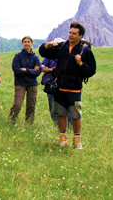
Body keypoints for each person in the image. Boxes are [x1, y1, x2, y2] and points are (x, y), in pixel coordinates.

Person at [39, 22, 96, 150]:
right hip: (60, 87)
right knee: (61, 114)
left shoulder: (85, 50)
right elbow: (45, 53)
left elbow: (91, 70)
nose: (70, 35)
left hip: (74, 88)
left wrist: (81, 63)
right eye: (70, 32)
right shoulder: (62, 47)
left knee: (76, 115)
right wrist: (47, 45)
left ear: (80, 36)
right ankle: (62, 139)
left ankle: (77, 141)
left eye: (74, 33)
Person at [8, 36, 42, 124]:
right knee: (17, 105)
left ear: (32, 43)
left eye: (28, 41)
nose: (27, 43)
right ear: (22, 43)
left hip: (32, 84)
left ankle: (29, 125)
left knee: (31, 106)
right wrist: (32, 71)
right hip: (20, 83)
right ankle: (10, 122)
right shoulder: (18, 56)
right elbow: (17, 70)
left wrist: (26, 70)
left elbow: (38, 71)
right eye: (25, 42)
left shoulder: (35, 57)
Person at [41, 37, 71, 126]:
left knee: (67, 105)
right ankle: (56, 125)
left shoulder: (67, 55)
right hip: (52, 83)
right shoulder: (49, 57)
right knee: (53, 106)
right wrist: (52, 70)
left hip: (65, 83)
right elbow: (41, 67)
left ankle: (69, 125)